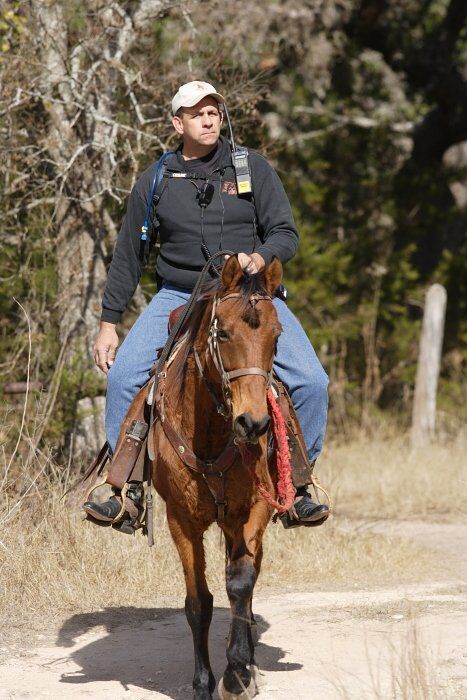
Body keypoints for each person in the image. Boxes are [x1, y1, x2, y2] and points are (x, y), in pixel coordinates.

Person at [84, 80, 330, 527]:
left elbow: (286, 233)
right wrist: (108, 323)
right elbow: (128, 256)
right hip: (180, 294)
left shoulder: (252, 168)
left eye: (214, 110)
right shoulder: (156, 178)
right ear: (178, 123)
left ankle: (295, 486)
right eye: (197, 113)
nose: (209, 118)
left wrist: (261, 256)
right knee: (123, 377)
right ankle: (126, 489)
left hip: (247, 294)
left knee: (313, 382)